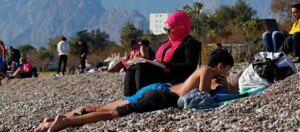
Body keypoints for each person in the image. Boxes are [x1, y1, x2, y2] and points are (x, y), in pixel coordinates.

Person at [34, 49, 233, 132]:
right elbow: (202, 98)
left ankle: (49, 122)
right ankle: (65, 122)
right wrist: (223, 84)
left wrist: (224, 83)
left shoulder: (206, 73)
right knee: (112, 114)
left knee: (101, 106)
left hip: (156, 88)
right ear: (222, 66)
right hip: (163, 96)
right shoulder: (206, 71)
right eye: (228, 70)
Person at [124, 10, 202, 96]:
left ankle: (140, 96)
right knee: (133, 66)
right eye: (165, 29)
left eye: (169, 30)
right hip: (163, 72)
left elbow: (190, 66)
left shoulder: (190, 43)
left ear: (181, 29)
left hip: (174, 76)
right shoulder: (168, 42)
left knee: (141, 67)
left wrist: (166, 64)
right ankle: (128, 96)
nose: (166, 33)